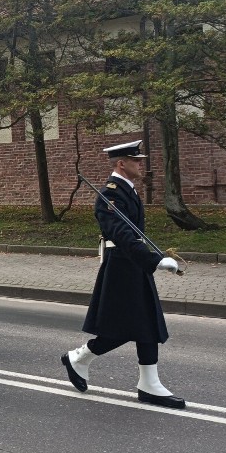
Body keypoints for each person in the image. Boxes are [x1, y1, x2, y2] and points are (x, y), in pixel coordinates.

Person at [61, 140, 184, 409]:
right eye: (136, 160)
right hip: (121, 267)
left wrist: (153, 259)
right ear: (121, 164)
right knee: (122, 327)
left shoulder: (128, 191)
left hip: (134, 265)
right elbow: (122, 234)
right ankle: (78, 358)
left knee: (147, 324)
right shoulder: (110, 194)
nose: (141, 164)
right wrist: (154, 260)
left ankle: (149, 384)